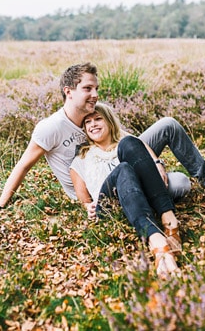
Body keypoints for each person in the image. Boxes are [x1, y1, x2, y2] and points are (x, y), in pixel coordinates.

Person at [0, 62, 205, 212]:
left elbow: (129, 142)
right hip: (96, 187)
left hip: (118, 161)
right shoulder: (50, 128)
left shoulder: (97, 112)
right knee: (178, 184)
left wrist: (156, 162)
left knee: (168, 125)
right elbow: (23, 165)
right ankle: (144, 198)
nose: (95, 94)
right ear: (68, 92)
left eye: (96, 88)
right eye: (87, 89)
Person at [70, 103, 181, 277]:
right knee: (123, 169)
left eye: (98, 119)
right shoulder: (80, 158)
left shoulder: (125, 144)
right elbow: (84, 199)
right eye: (88, 122)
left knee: (130, 145)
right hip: (108, 203)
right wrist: (88, 207)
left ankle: (169, 219)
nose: (93, 124)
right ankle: (156, 240)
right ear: (84, 129)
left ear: (109, 122)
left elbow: (147, 163)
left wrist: (158, 164)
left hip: (138, 194)